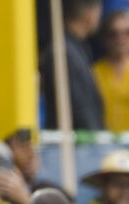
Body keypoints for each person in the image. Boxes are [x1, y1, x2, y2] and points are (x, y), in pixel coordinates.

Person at [39, 0, 105, 130]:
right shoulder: (63, 51)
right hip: (75, 143)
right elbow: (79, 107)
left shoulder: (75, 48)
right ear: (89, 14)